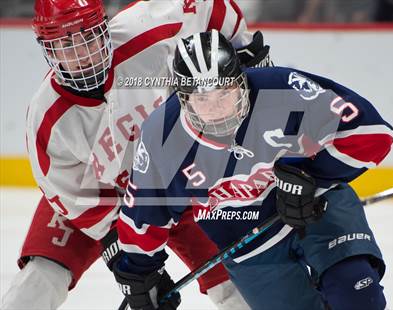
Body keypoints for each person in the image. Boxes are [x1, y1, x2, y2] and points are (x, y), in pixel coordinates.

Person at [1, 0, 272, 309]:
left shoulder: (145, 32)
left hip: (181, 188)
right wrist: (124, 254)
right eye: (65, 43)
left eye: (89, 37)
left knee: (237, 288)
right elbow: (70, 195)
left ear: (104, 28)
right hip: (99, 199)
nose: (83, 55)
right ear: (47, 48)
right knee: (40, 278)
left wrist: (242, 47)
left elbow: (207, 6)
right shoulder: (46, 117)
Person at [112, 30, 393, 310]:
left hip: (318, 207)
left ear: (241, 80)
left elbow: (371, 133)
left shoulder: (281, 88)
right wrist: (140, 274)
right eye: (202, 98)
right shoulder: (163, 135)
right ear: (184, 99)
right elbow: (145, 214)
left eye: (224, 92)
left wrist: (311, 177)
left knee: (357, 296)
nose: (216, 108)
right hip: (249, 245)